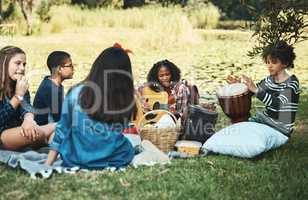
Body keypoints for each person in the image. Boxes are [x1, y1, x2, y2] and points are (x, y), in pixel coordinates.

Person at [45, 45, 135, 169]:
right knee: (129, 145)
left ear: (97, 67)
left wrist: (47, 164)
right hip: (114, 159)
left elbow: (61, 130)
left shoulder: (75, 93)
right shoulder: (123, 99)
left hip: (76, 159)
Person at [228, 40, 300, 136]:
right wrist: (239, 85)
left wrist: (256, 90)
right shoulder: (269, 80)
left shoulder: (292, 83)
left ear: (285, 63)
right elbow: (252, 92)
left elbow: (278, 104)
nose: (269, 66)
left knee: (245, 133)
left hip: (280, 128)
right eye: (267, 62)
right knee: (236, 128)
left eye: (274, 62)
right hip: (264, 121)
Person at [0, 46, 55, 150]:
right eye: (18, 63)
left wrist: (28, 119)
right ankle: (47, 140)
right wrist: (17, 96)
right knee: (42, 132)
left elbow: (27, 106)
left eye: (24, 64)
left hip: (20, 131)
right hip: (3, 135)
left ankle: (53, 150)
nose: (22, 68)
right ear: (4, 64)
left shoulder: (19, 84)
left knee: (60, 126)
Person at [33, 51, 74, 125]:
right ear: (59, 69)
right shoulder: (51, 89)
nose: (73, 68)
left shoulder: (51, 83)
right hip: (43, 130)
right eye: (70, 65)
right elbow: (60, 119)